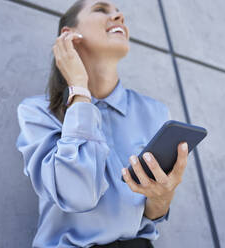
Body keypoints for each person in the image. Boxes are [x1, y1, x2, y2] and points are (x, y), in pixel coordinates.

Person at [15, 0, 189, 247]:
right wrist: (79, 88)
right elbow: (77, 195)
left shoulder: (155, 112)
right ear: (69, 35)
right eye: (101, 9)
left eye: (119, 13)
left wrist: (162, 197)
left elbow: (152, 212)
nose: (119, 17)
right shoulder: (37, 112)